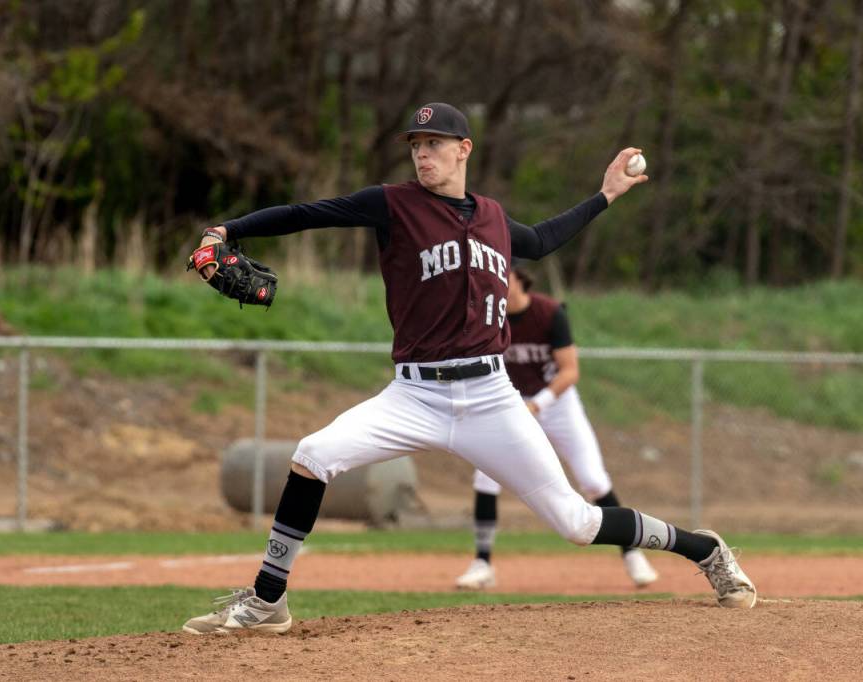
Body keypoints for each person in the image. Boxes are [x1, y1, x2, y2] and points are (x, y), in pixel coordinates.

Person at [183, 102, 756, 635]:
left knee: (578, 524)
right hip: (412, 397)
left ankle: (703, 549)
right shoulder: (393, 204)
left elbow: (542, 240)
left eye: (435, 143)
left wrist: (604, 196)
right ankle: (267, 600)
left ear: (465, 149)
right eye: (415, 145)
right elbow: (308, 214)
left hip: (489, 397)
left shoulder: (493, 218)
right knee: (312, 455)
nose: (422, 154)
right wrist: (228, 230)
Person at [455, 265, 658, 590]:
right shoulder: (489, 316)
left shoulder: (549, 313)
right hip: (511, 403)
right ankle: (482, 563)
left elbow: (570, 371)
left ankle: (632, 553)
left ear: (520, 279)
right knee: (486, 476)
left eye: (502, 277)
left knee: (592, 478)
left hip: (556, 403)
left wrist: (538, 404)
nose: (494, 285)